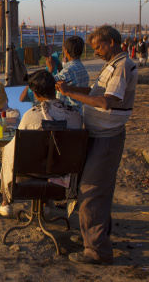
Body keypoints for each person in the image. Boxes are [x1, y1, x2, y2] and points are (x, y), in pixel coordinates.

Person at [56, 25, 137, 265]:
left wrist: (72, 93)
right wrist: (69, 90)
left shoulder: (122, 66)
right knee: (97, 191)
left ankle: (97, 251)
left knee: (91, 193)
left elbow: (104, 102)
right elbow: (93, 92)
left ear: (111, 42)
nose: (97, 52)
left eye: (99, 47)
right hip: (98, 135)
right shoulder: (113, 63)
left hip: (106, 138)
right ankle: (97, 238)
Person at [0, 69, 82, 217]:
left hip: (33, 172)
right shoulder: (75, 115)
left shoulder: (31, 116)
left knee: (8, 150)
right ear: (55, 88)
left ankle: (6, 203)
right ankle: (46, 203)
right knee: (50, 156)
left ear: (35, 94)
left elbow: (18, 149)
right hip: (63, 172)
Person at [53, 36, 89, 111]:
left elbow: (48, 81)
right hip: (79, 111)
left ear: (66, 51)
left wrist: (50, 69)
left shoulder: (68, 70)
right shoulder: (81, 67)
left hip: (67, 111)